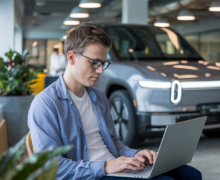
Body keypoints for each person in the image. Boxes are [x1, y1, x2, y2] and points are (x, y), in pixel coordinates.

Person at [28, 24, 202, 180]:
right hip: (92, 174)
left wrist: (137, 153)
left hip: (116, 167)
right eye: (94, 63)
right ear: (71, 57)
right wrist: (105, 167)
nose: (101, 70)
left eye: (104, 63)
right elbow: (51, 167)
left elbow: (114, 143)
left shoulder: (99, 97)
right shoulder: (45, 104)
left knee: (192, 175)